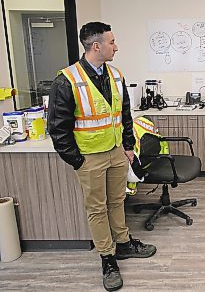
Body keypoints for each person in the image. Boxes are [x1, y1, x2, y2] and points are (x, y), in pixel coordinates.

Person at [48, 22, 156, 292]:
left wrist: (128, 147)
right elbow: (57, 129)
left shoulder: (116, 75)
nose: (116, 46)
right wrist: (77, 160)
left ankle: (124, 244)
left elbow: (125, 116)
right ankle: (107, 259)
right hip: (89, 158)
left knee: (117, 201)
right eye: (112, 42)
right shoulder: (67, 79)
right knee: (97, 209)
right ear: (96, 46)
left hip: (117, 152)